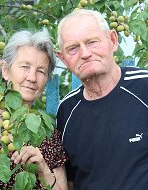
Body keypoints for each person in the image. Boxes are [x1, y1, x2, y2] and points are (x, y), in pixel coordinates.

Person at [0, 29, 68, 189]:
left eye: (40, 71)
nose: (31, 77)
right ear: (5, 70)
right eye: (25, 66)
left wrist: (43, 168)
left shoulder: (48, 134)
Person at [56, 9, 148, 190]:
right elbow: (71, 181)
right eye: (73, 48)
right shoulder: (66, 111)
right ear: (64, 59)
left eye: (92, 42)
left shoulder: (144, 87)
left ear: (113, 40)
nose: (85, 53)